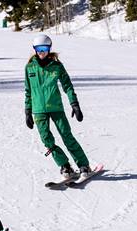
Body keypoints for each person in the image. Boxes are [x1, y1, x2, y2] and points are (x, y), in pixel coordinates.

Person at [24, 34, 91, 180]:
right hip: (38, 110)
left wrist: (75, 104)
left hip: (56, 108)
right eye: (38, 49)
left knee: (67, 136)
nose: (42, 52)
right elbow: (28, 91)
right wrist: (27, 111)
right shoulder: (29, 68)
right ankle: (64, 165)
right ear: (35, 50)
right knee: (46, 140)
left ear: (49, 49)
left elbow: (67, 85)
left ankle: (83, 165)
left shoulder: (56, 66)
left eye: (44, 48)